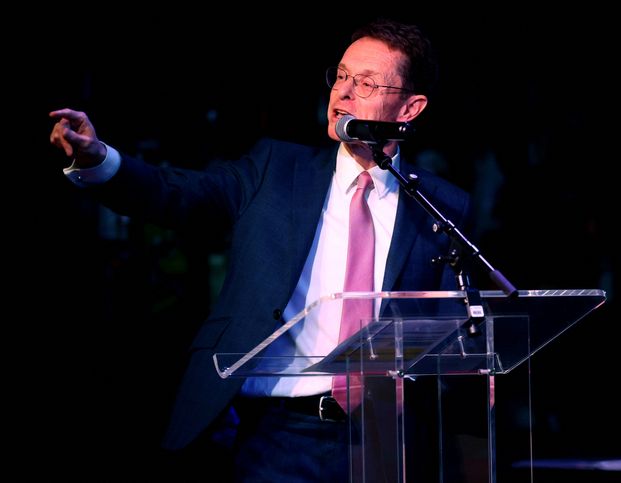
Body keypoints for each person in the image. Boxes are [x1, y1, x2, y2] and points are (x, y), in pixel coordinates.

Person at [49, 19, 470, 482]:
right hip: (275, 434)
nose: (344, 94)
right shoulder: (275, 169)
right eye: (342, 76)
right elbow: (178, 193)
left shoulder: (439, 205)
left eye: (366, 83)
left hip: (389, 438)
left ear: (410, 107)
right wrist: (98, 159)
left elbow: (452, 336)